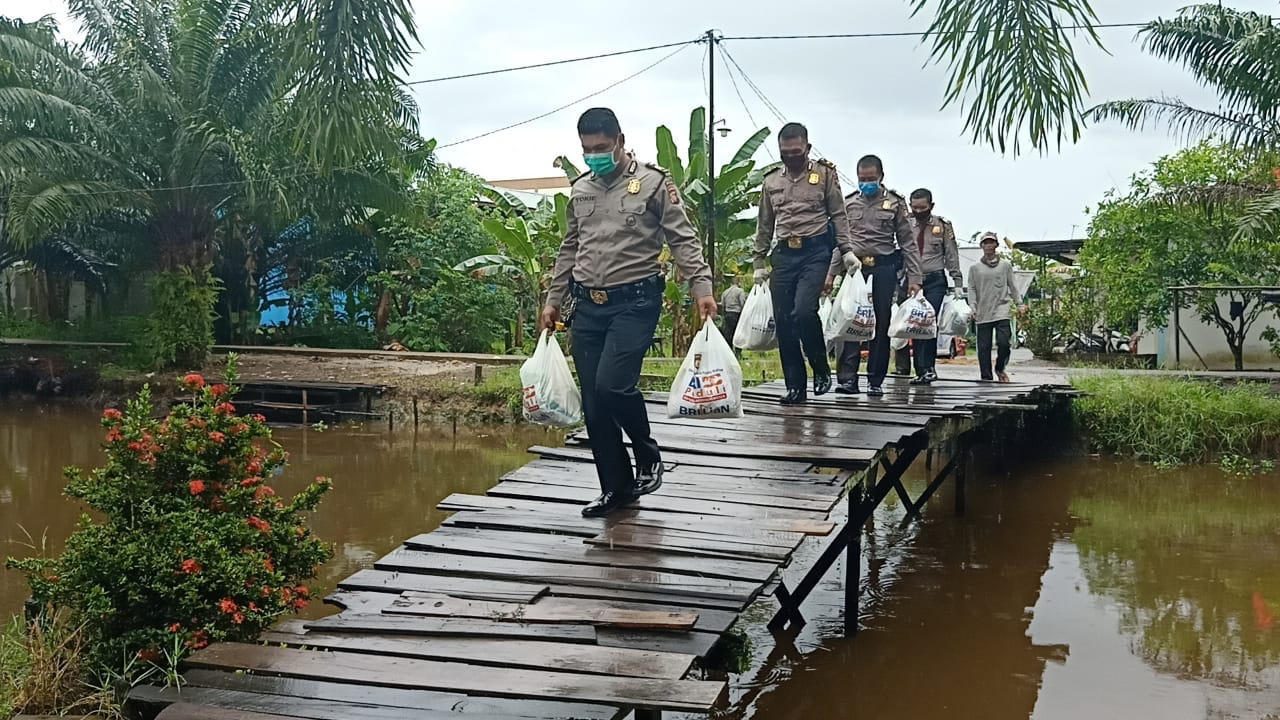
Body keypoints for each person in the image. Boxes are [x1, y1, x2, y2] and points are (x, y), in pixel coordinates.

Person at [540, 107, 717, 518]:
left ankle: (647, 452)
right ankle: (616, 489)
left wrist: (702, 287)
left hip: (635, 302)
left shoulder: (653, 184)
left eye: (601, 147)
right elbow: (570, 247)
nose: (595, 156)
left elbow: (683, 238)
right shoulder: (581, 189)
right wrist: (553, 298)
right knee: (594, 403)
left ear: (620, 141)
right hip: (587, 305)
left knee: (612, 386)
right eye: (587, 150)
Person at [752, 122, 859, 405]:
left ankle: (820, 366)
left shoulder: (824, 174)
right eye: (785, 153)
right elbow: (765, 223)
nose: (791, 157)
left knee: (803, 311)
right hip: (784, 254)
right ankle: (795, 386)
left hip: (815, 252)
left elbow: (838, 214)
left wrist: (846, 250)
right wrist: (758, 261)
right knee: (784, 321)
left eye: (796, 152)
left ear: (807, 148)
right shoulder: (771, 181)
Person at [826, 155, 922, 397]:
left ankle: (875, 380)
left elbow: (908, 243)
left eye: (871, 178)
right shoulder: (849, 204)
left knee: (880, 323)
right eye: (862, 179)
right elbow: (840, 243)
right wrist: (830, 275)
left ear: (881, 177)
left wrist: (915, 278)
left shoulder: (895, 203)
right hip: (855, 269)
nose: (866, 183)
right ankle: (847, 379)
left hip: (883, 268)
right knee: (850, 320)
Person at [906, 188, 963, 385]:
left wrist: (957, 282)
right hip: (912, 281)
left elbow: (951, 254)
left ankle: (929, 367)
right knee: (914, 324)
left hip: (935, 280)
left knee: (928, 322)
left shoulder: (943, 226)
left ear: (931, 206)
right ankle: (919, 369)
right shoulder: (906, 224)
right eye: (914, 208)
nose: (918, 211)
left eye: (922, 208)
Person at [969, 232, 1026, 383]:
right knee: (984, 348)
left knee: (1004, 342)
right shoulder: (975, 268)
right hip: (982, 311)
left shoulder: (1005, 266)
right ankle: (986, 377)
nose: (988, 246)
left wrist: (1019, 304)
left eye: (991, 242)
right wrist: (973, 307)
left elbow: (1013, 286)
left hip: (1002, 309)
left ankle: (1000, 367)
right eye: (985, 243)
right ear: (981, 246)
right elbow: (971, 288)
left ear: (996, 245)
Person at [720, 276, 746, 357]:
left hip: (728, 314)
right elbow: (742, 303)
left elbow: (723, 305)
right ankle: (738, 353)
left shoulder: (725, 292)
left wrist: (724, 315)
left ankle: (729, 353)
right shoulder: (740, 291)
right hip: (737, 314)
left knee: (728, 334)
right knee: (739, 334)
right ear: (738, 283)